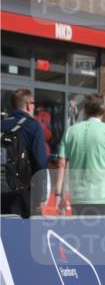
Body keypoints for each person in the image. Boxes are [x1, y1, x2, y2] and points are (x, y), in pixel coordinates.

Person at [53, 93, 105, 216]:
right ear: (104, 111)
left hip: (77, 195)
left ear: (85, 110)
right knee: (99, 228)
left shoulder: (70, 132)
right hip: (102, 195)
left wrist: (58, 195)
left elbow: (61, 165)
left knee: (79, 228)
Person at [1, 88, 48, 217]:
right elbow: (40, 162)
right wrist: (42, 194)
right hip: (23, 193)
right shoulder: (33, 126)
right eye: (34, 104)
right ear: (28, 105)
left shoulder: (2, 124)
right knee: (24, 228)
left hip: (2, 189)